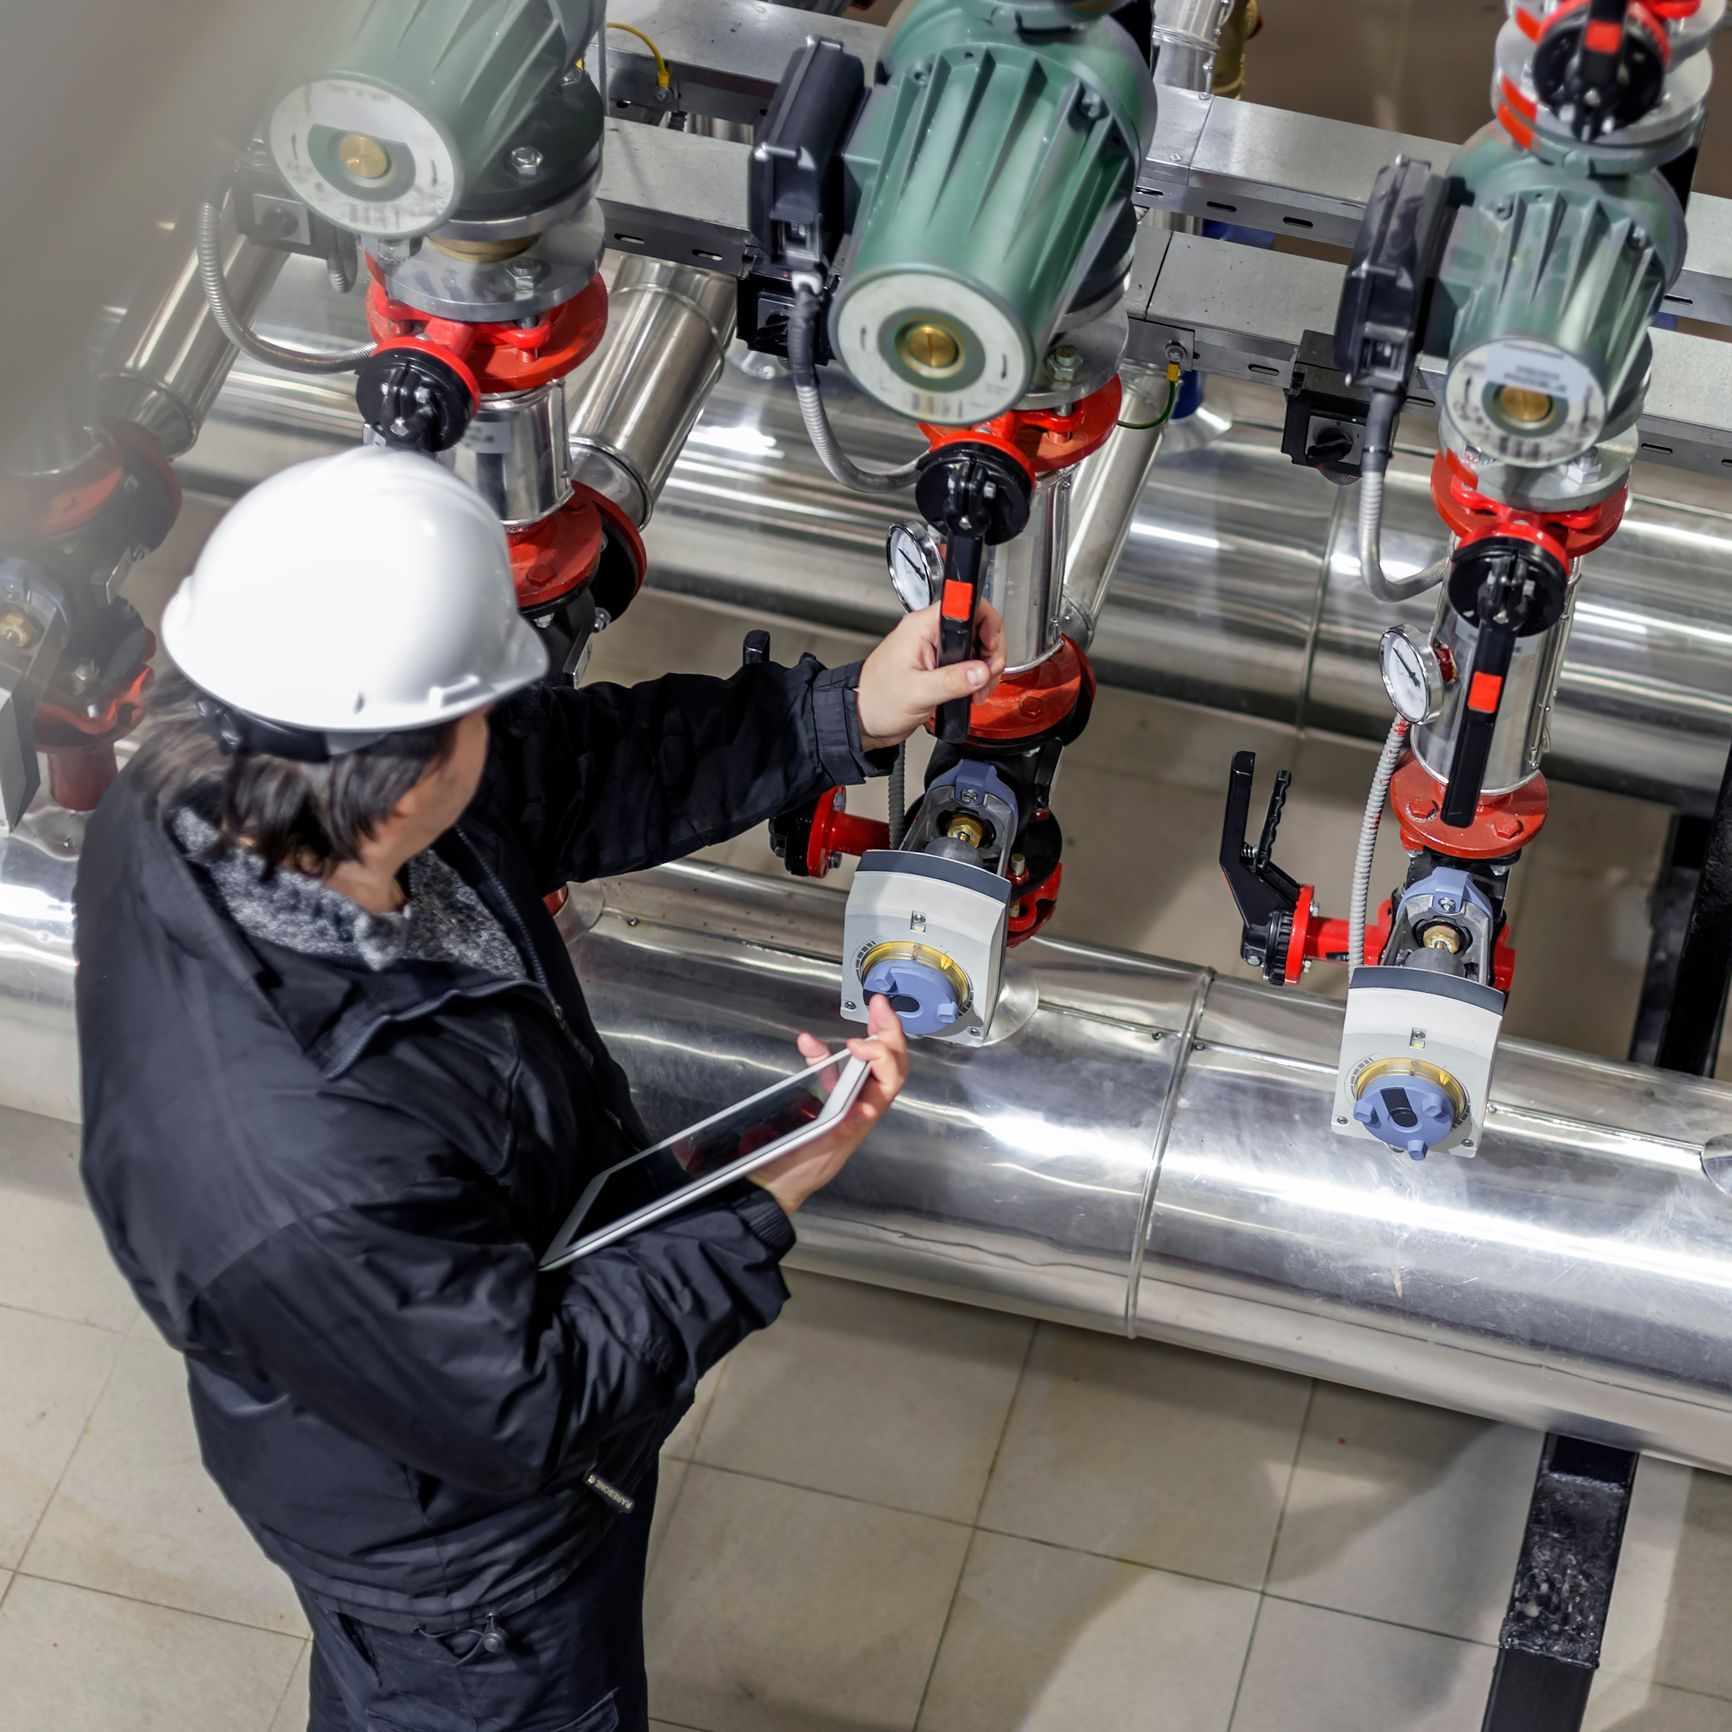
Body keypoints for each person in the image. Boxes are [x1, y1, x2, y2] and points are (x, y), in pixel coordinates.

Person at [74, 447, 1006, 1732]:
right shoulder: (294, 1165)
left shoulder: (222, 780)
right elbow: (528, 1401)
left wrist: (837, 715)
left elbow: (551, 772)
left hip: (407, 1414)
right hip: (468, 1571)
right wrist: (765, 1196)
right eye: (480, 705)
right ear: (399, 775)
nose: (502, 724)